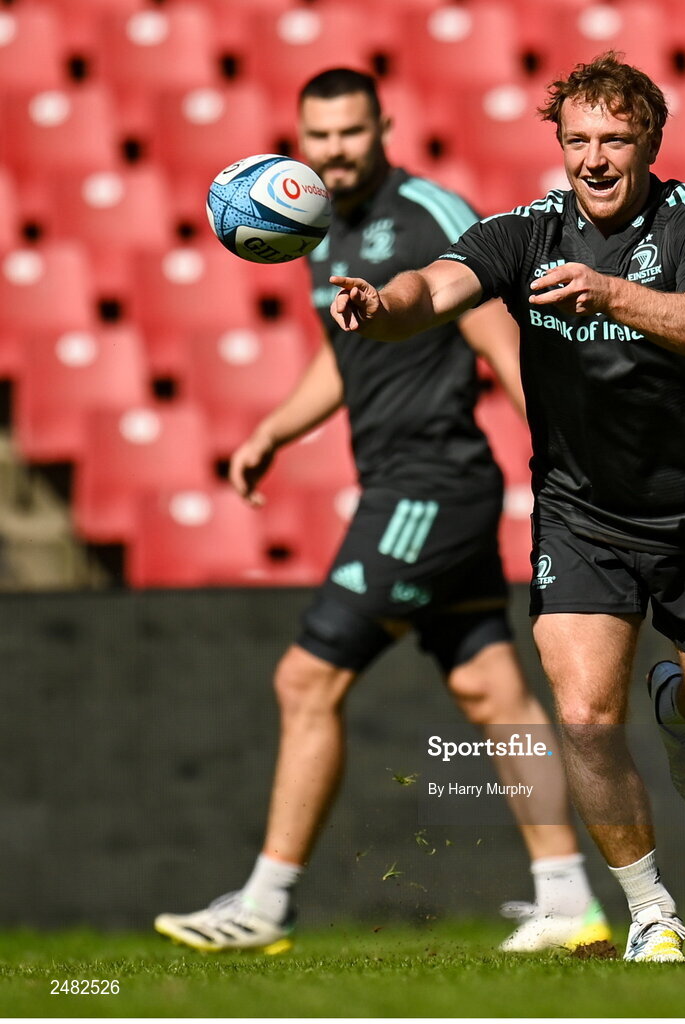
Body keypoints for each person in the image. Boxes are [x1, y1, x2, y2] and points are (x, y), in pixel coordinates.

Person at [327, 52, 685, 964]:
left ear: (650, 140)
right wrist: (383, 304)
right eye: (578, 139)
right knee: (578, 718)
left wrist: (611, 291)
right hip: (580, 518)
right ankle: (650, 909)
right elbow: (435, 288)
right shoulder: (526, 232)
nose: (595, 158)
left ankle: (683, 709)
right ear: (559, 145)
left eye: (615, 138)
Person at [154, 68, 608, 956]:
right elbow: (340, 356)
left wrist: (566, 460)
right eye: (318, 136)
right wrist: (273, 431)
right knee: (493, 692)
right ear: (300, 136)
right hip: (414, 486)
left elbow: (498, 340)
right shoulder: (316, 226)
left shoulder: (431, 217)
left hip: (428, 489)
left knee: (304, 680)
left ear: (383, 125)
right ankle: (569, 903)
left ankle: (266, 903)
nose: (333, 151)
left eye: (350, 133)